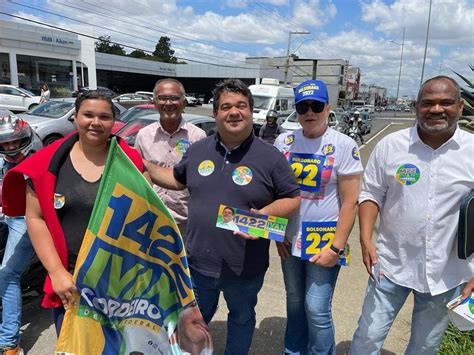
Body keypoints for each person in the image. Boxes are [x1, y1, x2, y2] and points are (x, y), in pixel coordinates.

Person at [145, 78, 301, 354]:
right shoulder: (198, 149)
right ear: (215, 113)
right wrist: (139, 164)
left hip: (245, 266)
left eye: (241, 105)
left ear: (251, 112)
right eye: (226, 106)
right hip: (197, 264)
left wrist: (265, 214)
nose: (234, 111)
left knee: (241, 319)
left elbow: (292, 198)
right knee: (194, 322)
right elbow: (176, 179)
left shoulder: (271, 156)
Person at [1, 91, 145, 335]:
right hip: (69, 281)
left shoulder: (130, 161)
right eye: (88, 115)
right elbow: (35, 218)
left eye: (104, 116)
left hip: (117, 280)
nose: (96, 122)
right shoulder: (47, 163)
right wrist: (57, 272)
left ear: (113, 121)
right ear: (75, 118)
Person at [350, 76, 474, 354]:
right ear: (416, 107)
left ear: (460, 107)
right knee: (368, 336)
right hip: (391, 263)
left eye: (446, 102)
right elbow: (370, 193)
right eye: (428, 103)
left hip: (447, 271)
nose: (437, 109)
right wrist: (365, 239)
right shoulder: (391, 146)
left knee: (425, 345)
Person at [274, 79, 362, 354]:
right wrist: (277, 234)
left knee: (317, 307)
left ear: (328, 108)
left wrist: (336, 247)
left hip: (324, 239)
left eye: (316, 106)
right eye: (303, 107)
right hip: (289, 237)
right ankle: (293, 351)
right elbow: (274, 194)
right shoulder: (283, 141)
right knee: (294, 302)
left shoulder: (343, 145)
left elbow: (351, 202)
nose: (309, 112)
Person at [134, 78, 206, 239]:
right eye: (162, 98)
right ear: (154, 102)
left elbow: (201, 181)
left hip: (186, 221)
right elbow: (137, 175)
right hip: (150, 218)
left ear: (184, 102)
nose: (168, 103)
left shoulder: (197, 136)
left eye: (174, 98)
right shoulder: (144, 135)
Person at [0, 116, 39, 355]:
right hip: (3, 217)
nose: (11, 148)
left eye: (15, 142)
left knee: (7, 274)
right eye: (6, 143)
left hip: (24, 219)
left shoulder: (36, 162)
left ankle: (9, 342)